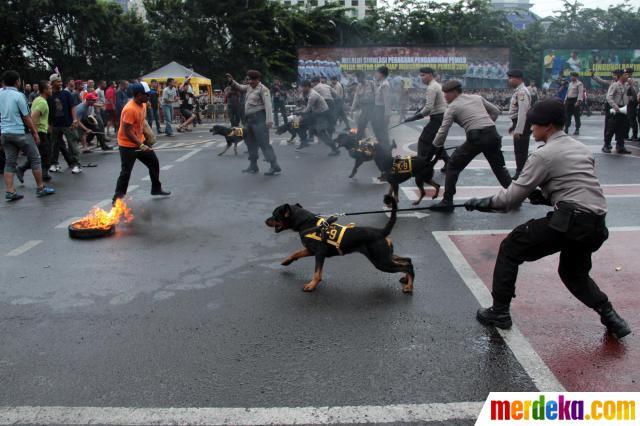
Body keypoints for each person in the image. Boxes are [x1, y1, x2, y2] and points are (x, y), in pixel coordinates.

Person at [464, 98, 630, 340]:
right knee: (574, 274)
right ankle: (611, 317)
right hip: (595, 224)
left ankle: (499, 312)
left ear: (549, 126)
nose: (531, 129)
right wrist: (544, 197)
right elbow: (575, 188)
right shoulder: (581, 148)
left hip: (570, 221)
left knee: (511, 247)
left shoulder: (543, 155)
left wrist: (480, 203)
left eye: (535, 125)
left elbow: (508, 200)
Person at [430, 80, 512, 212]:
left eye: (447, 94)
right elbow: (496, 111)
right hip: (492, 135)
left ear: (455, 92)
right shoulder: (476, 98)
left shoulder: (453, 107)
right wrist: (486, 126)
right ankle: (515, 197)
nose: (445, 96)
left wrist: (435, 146)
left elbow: (443, 130)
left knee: (452, 166)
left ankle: (447, 202)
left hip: (476, 138)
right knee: (499, 168)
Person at [0, 70, 54, 201]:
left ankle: (10, 191)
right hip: (20, 132)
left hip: (5, 132)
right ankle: (40, 188)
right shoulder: (19, 96)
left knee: (10, 162)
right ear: (17, 81)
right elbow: (26, 117)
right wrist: (35, 132)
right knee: (36, 158)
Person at [112, 82, 170, 204]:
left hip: (140, 141)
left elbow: (141, 122)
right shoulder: (129, 109)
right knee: (126, 172)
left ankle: (156, 189)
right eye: (146, 95)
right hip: (127, 145)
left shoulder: (143, 105)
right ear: (138, 95)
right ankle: (117, 199)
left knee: (154, 163)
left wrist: (148, 136)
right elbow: (127, 132)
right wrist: (141, 145)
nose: (149, 97)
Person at [226, 70, 281, 175]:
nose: (249, 81)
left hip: (259, 119)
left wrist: (269, 121)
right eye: (249, 79)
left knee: (263, 143)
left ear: (258, 80)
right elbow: (240, 87)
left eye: (252, 79)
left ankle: (274, 165)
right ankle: (253, 165)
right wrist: (232, 81)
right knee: (250, 143)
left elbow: (268, 105)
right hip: (249, 120)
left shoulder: (263, 89)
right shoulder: (249, 87)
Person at [405, 67, 449, 167]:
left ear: (430, 75)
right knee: (434, 142)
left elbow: (428, 108)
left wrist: (414, 117)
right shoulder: (435, 85)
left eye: (423, 75)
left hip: (438, 117)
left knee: (423, 140)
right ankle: (447, 161)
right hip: (440, 116)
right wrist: (420, 110)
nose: (421, 78)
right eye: (421, 75)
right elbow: (431, 104)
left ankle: (420, 164)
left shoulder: (431, 87)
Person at [16, 81, 53, 182]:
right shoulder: (42, 102)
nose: (51, 90)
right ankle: (43, 173)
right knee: (45, 153)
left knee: (38, 154)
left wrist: (47, 126)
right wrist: (35, 132)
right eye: (49, 88)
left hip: (41, 130)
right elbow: (34, 117)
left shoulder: (38, 99)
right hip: (40, 131)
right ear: (44, 90)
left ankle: (22, 169)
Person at [48, 73, 83, 174]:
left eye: (60, 81)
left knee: (73, 145)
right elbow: (48, 111)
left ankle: (77, 165)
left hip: (68, 124)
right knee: (54, 145)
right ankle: (54, 164)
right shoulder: (49, 95)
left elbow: (72, 107)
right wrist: (49, 124)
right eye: (58, 81)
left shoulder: (66, 94)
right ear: (52, 83)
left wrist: (74, 119)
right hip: (55, 124)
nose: (60, 83)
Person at [298, 80, 336, 154]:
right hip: (316, 113)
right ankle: (306, 140)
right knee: (301, 124)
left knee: (321, 133)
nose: (301, 89)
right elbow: (306, 106)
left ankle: (334, 149)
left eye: (302, 87)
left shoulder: (313, 95)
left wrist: (300, 113)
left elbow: (308, 109)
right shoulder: (308, 93)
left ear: (307, 87)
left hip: (322, 114)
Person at [507, 69, 532, 180]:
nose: (509, 80)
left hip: (522, 124)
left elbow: (523, 112)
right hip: (518, 123)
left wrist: (518, 130)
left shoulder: (522, 92)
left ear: (518, 79)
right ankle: (520, 171)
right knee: (519, 150)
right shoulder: (519, 90)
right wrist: (514, 126)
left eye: (511, 78)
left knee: (521, 150)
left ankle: (520, 173)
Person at [371, 66, 392, 175]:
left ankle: (387, 158)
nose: (375, 74)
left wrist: (387, 115)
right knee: (379, 134)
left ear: (382, 74)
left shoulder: (385, 85)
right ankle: (383, 154)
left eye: (377, 73)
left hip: (381, 110)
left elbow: (387, 101)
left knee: (382, 135)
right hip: (376, 109)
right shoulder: (378, 83)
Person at [605, 70, 631, 154]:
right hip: (616, 109)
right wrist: (615, 106)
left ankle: (620, 146)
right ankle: (606, 145)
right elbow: (609, 97)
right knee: (611, 128)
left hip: (624, 109)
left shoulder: (627, 85)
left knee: (622, 129)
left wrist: (632, 85)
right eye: (625, 74)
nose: (627, 76)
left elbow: (632, 95)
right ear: (620, 76)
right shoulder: (615, 85)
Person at [350, 70, 375, 141]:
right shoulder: (359, 86)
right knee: (361, 123)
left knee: (368, 124)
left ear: (363, 77)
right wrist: (352, 109)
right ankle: (360, 139)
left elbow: (378, 96)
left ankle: (361, 139)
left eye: (358, 77)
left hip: (372, 107)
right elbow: (356, 98)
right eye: (357, 77)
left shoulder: (372, 84)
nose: (357, 79)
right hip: (363, 107)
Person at [624, 68, 639, 141]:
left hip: (632, 102)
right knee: (625, 120)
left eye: (626, 73)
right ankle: (625, 134)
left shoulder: (634, 81)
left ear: (630, 74)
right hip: (625, 102)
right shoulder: (623, 81)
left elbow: (635, 94)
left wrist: (630, 85)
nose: (625, 75)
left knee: (632, 119)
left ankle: (634, 135)